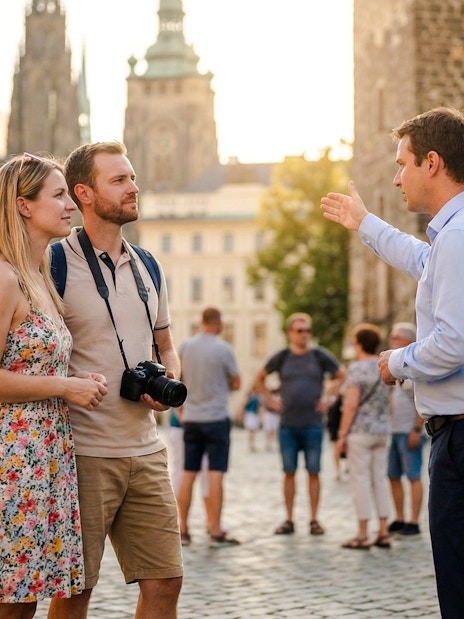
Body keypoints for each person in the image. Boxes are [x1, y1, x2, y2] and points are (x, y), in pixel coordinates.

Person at [320, 106, 464, 617]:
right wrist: (365, 223)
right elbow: (422, 262)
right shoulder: (450, 235)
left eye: (402, 164)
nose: (396, 176)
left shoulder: (459, 233)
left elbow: (454, 341)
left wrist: (395, 362)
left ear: (432, 162)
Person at [47, 142, 183, 619]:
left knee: (166, 581)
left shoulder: (149, 265)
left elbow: (165, 347)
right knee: (74, 590)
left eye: (132, 176)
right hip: (81, 453)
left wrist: (168, 382)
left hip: (145, 450)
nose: (134, 187)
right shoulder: (53, 265)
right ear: (84, 193)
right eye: (119, 180)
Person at [0, 153, 107, 617]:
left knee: (26, 601)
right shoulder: (3, 279)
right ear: (24, 205)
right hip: (12, 458)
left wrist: (73, 379)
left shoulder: (39, 278)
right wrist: (64, 387)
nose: (71, 205)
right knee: (12, 602)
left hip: (46, 458)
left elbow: (32, 366)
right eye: (60, 195)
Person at [255, 312, 346, 536]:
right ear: (290, 334)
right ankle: (289, 519)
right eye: (300, 330)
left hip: (313, 424)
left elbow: (341, 375)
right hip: (288, 425)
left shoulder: (319, 356)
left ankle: (314, 520)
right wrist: (270, 401)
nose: (305, 334)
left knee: (314, 472)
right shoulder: (282, 357)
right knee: (289, 472)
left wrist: (329, 399)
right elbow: (259, 378)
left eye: (307, 330)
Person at [177, 307, 241, 548]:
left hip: (192, 417)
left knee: (188, 473)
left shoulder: (185, 347)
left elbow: (179, 380)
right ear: (219, 323)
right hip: (216, 418)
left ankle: (183, 529)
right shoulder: (224, 349)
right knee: (215, 474)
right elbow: (236, 381)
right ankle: (215, 529)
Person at [337, 323, 391, 550]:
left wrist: (341, 434)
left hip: (360, 430)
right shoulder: (384, 365)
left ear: (357, 344)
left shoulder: (357, 369)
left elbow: (350, 404)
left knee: (360, 480)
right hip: (382, 429)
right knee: (379, 479)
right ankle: (383, 530)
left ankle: (362, 534)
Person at [387, 322, 425, 538]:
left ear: (408, 341)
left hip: (410, 430)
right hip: (394, 430)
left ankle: (413, 521)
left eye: (396, 337)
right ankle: (400, 518)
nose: (392, 341)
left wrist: (416, 429)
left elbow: (421, 400)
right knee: (393, 475)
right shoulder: (397, 367)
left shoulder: (415, 367)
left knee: (413, 475)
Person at [239, 384, 262, 452]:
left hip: (255, 414)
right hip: (250, 414)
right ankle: (250, 445)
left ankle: (252, 444)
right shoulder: (249, 396)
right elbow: (244, 404)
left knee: (253, 430)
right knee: (251, 430)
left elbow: (259, 406)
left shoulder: (257, 397)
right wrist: (242, 413)